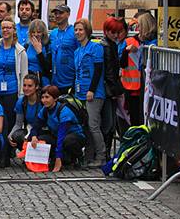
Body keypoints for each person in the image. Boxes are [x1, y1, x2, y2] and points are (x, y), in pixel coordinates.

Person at [29, 85, 87, 172]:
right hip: (56, 136)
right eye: (42, 97)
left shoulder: (64, 111)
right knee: (39, 138)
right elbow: (35, 126)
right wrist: (33, 136)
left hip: (74, 136)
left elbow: (61, 135)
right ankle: (51, 158)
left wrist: (58, 158)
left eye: (47, 97)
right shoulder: (44, 110)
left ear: (55, 98)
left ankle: (79, 157)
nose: (44, 100)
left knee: (67, 141)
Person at [73, 18, 105, 166]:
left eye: (80, 29)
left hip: (94, 93)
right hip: (80, 93)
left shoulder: (95, 48)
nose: (78, 32)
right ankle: (89, 155)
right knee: (85, 126)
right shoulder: (77, 51)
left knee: (93, 125)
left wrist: (92, 89)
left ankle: (101, 155)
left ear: (87, 31)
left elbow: (98, 70)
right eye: (76, 30)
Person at [121, 13, 153, 127]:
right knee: (134, 119)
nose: (136, 29)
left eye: (138, 25)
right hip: (132, 87)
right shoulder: (129, 41)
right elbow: (122, 63)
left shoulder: (152, 43)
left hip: (148, 87)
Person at [100, 18, 128, 144]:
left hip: (109, 89)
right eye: (113, 32)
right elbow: (110, 72)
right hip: (108, 90)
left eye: (117, 32)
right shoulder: (107, 46)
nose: (116, 35)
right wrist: (116, 90)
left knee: (110, 124)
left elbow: (116, 68)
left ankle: (104, 153)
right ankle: (104, 154)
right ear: (106, 31)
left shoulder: (110, 45)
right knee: (108, 124)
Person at [9, 75, 43, 151]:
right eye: (24, 85)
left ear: (36, 87)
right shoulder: (21, 101)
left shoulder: (43, 100)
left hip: (44, 130)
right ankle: (25, 158)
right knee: (16, 136)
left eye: (30, 86)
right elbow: (18, 124)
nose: (26, 88)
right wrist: (10, 136)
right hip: (30, 128)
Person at [49, 4, 77, 95]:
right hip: (55, 81)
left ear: (68, 14)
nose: (57, 15)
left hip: (70, 80)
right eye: (56, 13)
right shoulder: (53, 33)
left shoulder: (74, 32)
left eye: (61, 13)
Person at [25, 19, 53, 86]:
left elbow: (48, 68)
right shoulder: (26, 46)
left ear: (43, 33)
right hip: (28, 80)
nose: (36, 34)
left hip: (42, 81)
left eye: (38, 32)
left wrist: (39, 52)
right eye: (33, 32)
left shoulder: (47, 46)